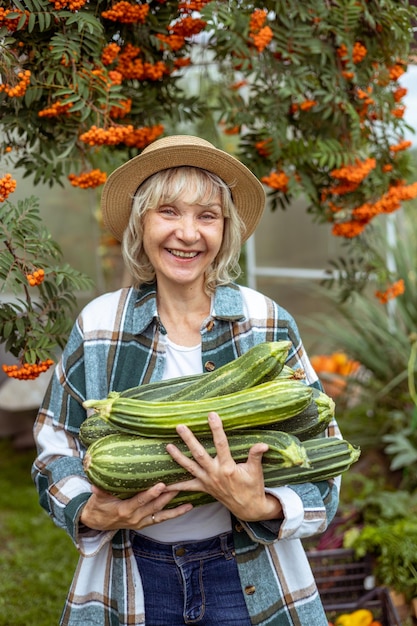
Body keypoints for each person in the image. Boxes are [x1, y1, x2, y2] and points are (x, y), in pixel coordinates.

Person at [32, 135, 341, 626]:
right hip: (133, 572)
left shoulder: (266, 322)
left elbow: (324, 455)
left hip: (246, 572)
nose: (188, 233)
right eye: (169, 212)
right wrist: (90, 511)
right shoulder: (98, 325)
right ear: (141, 223)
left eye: (207, 216)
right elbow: (55, 446)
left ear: (225, 230)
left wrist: (262, 504)